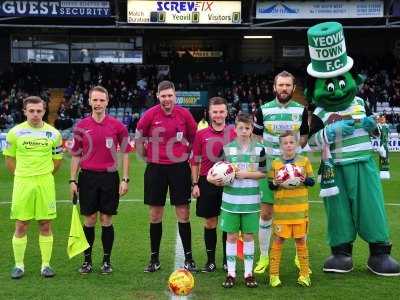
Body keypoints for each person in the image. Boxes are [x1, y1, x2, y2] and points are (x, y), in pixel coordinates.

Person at [135, 80, 198, 273]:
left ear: (175, 95)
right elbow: (138, 137)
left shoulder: (184, 114)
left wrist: (187, 155)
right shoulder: (149, 115)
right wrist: (146, 157)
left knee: (183, 213)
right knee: (155, 214)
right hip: (156, 168)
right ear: (158, 96)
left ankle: (189, 258)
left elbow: (194, 138)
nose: (167, 99)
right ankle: (154, 259)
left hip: (179, 168)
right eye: (163, 96)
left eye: (170, 95)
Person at [70, 85, 131, 275]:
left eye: (101, 100)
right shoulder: (81, 126)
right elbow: (76, 155)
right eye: (94, 100)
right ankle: (87, 261)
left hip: (109, 178)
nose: (98, 104)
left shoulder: (117, 126)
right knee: (89, 220)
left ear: (107, 101)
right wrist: (72, 180)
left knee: (106, 219)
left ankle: (106, 261)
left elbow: (126, 153)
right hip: (87, 178)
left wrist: (125, 179)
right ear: (89, 101)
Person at [253, 71, 309, 274]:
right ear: (274, 87)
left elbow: (303, 137)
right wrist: (265, 164)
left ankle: (299, 255)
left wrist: (294, 156)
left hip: (294, 169)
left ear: (293, 88)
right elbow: (257, 137)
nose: (284, 88)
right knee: (266, 213)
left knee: (297, 214)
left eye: (287, 85)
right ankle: (264, 256)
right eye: (280, 85)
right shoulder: (263, 110)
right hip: (270, 169)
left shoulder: (301, 110)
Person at [3, 96, 63, 279]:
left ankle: (46, 265)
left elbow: (57, 161)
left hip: (45, 182)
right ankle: (19, 265)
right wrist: (22, 176)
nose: (35, 114)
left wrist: (44, 175)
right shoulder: (15, 133)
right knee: (21, 224)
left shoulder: (54, 134)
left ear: (44, 111)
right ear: (25, 111)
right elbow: (9, 159)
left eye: (39, 111)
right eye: (31, 111)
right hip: (23, 182)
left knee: (45, 224)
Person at [208, 112, 266, 288]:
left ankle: (249, 274)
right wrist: (213, 180)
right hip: (230, 203)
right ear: (235, 128)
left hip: (251, 203)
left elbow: (263, 173)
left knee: (249, 237)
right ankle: (231, 273)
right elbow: (213, 172)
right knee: (231, 237)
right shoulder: (227, 149)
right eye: (240, 127)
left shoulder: (259, 149)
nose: (243, 131)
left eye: (247, 128)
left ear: (251, 129)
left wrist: (242, 174)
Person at [191, 97, 236, 272]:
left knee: (228, 223)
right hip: (206, 183)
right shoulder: (200, 135)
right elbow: (194, 162)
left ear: (226, 113)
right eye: (215, 111)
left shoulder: (233, 133)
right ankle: (210, 261)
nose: (218, 114)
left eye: (221, 111)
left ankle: (226, 260)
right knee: (210, 223)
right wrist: (195, 184)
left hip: (230, 184)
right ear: (208, 113)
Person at [268, 131, 315, 287]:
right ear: (280, 146)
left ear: (296, 144)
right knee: (278, 240)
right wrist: (275, 182)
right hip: (282, 212)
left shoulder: (304, 161)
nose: (288, 145)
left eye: (291, 142)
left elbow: (312, 181)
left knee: (301, 241)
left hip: (300, 211)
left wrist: (304, 179)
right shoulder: (275, 163)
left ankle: (304, 275)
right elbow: (271, 185)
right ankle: (273, 275)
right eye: (285, 143)